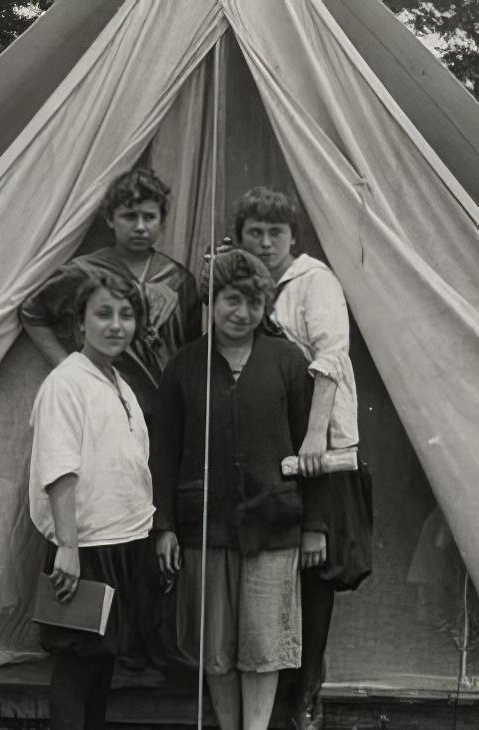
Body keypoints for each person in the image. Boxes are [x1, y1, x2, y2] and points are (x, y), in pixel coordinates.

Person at [151, 250, 326, 730]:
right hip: (204, 527)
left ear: (264, 304)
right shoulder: (185, 366)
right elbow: (163, 453)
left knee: (263, 647)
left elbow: (312, 450)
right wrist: (164, 524)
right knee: (217, 648)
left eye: (253, 302)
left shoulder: (288, 363)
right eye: (231, 300)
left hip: (273, 527)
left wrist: (314, 524)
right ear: (212, 300)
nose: (241, 312)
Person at [234, 187, 372, 729]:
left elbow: (331, 357)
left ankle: (308, 690)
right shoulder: (243, 285)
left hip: (319, 445)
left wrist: (315, 437)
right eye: (255, 232)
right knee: (271, 564)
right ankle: (275, 685)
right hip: (269, 443)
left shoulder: (314, 283)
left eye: (275, 233)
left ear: (294, 237)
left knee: (315, 567)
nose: (265, 243)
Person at [28, 270, 155, 730]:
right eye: (103, 314)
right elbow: (59, 467)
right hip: (83, 548)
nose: (115, 325)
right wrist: (68, 546)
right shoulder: (67, 384)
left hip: (122, 542)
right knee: (78, 665)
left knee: (103, 664)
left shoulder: (118, 382)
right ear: (80, 325)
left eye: (125, 315)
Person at [20, 167, 202, 420]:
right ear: (109, 219)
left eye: (149, 217)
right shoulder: (84, 272)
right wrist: (66, 365)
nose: (140, 227)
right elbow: (32, 312)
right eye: (129, 216)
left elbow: (190, 349)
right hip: (104, 404)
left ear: (162, 223)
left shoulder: (179, 280)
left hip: (167, 412)